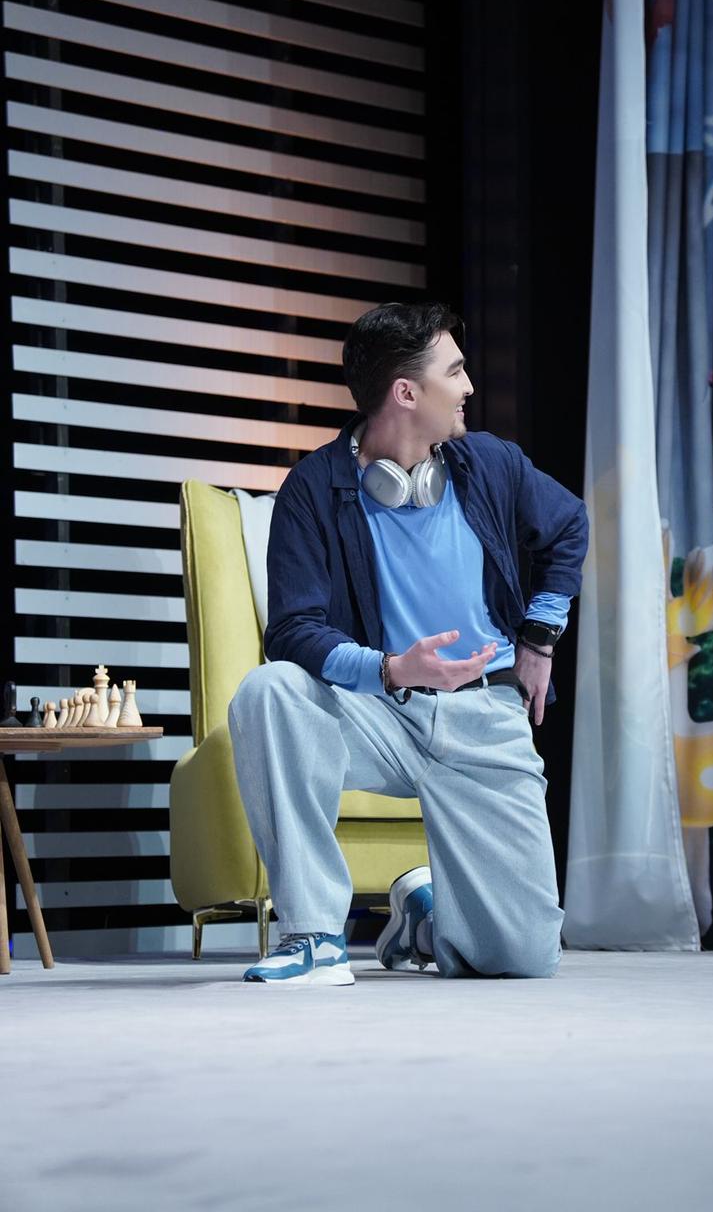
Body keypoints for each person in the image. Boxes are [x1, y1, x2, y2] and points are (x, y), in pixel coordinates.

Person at [227, 302, 588, 985]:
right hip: (380, 714)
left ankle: (422, 914)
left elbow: (569, 525)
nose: (469, 386)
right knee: (270, 691)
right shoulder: (314, 489)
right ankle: (313, 934)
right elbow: (292, 630)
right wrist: (391, 670)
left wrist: (540, 638)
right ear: (406, 393)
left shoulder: (490, 463)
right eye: (454, 371)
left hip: (484, 714)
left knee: (525, 958)